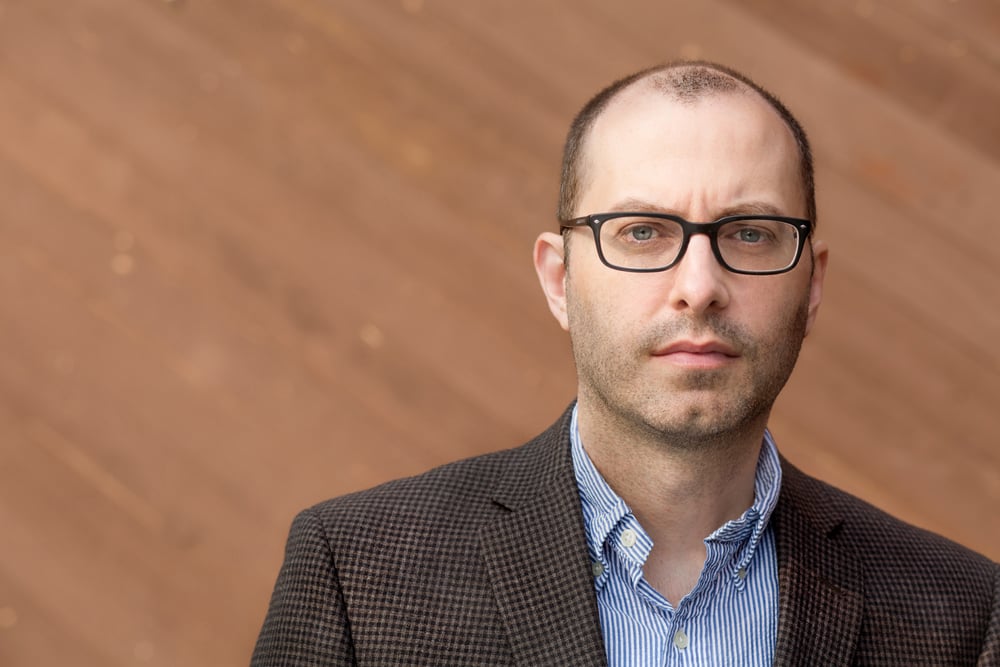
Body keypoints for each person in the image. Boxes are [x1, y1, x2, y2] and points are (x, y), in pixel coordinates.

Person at [251, 61, 998, 666]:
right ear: (559, 279)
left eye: (751, 233)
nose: (699, 286)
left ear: (813, 283)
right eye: (642, 231)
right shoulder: (358, 576)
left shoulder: (963, 614)